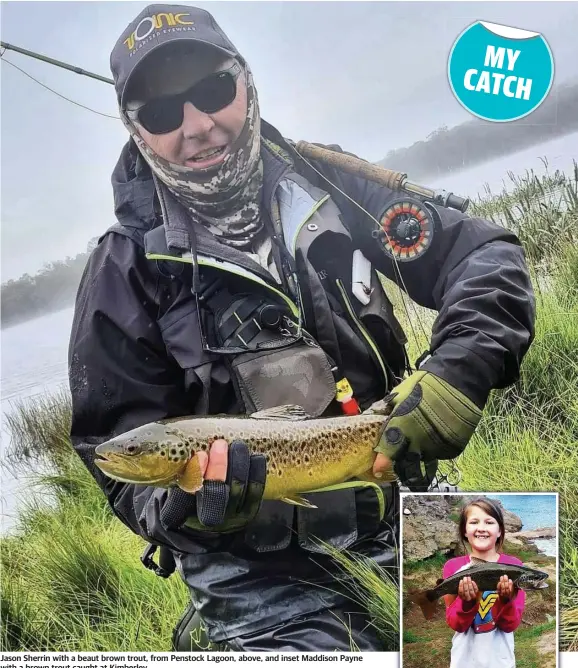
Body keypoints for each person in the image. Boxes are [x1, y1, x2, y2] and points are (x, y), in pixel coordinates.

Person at [68, 4, 535, 652]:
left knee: (529, 635)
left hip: (407, 506)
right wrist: (188, 505)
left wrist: (458, 368)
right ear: (136, 130)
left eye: (211, 91)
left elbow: (483, 255)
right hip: (261, 586)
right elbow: (111, 447)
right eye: (162, 112)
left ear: (245, 82)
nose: (198, 125)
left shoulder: (331, 184)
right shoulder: (122, 273)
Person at [443, 498, 525, 668]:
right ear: (464, 531)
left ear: (500, 531)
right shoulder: (453, 567)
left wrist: (506, 600)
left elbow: (510, 625)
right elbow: (456, 625)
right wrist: (468, 602)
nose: (481, 528)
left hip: (501, 661)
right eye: (474, 522)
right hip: (463, 662)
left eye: (489, 522)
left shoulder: (515, 567)